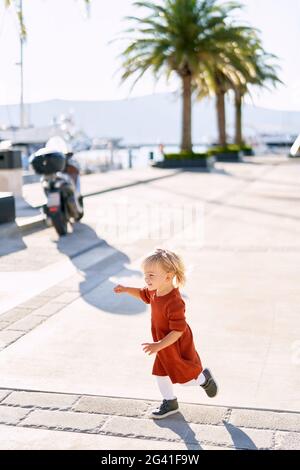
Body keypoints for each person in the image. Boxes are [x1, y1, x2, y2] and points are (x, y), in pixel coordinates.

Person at [113, 248, 218, 419]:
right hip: (162, 344)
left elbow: (178, 330)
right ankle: (170, 402)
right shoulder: (154, 291)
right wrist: (126, 289)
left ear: (168, 277)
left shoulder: (174, 302)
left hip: (175, 343)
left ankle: (204, 379)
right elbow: (142, 294)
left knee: (185, 380)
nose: (147, 279)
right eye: (145, 275)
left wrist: (159, 345)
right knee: (161, 374)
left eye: (151, 275)